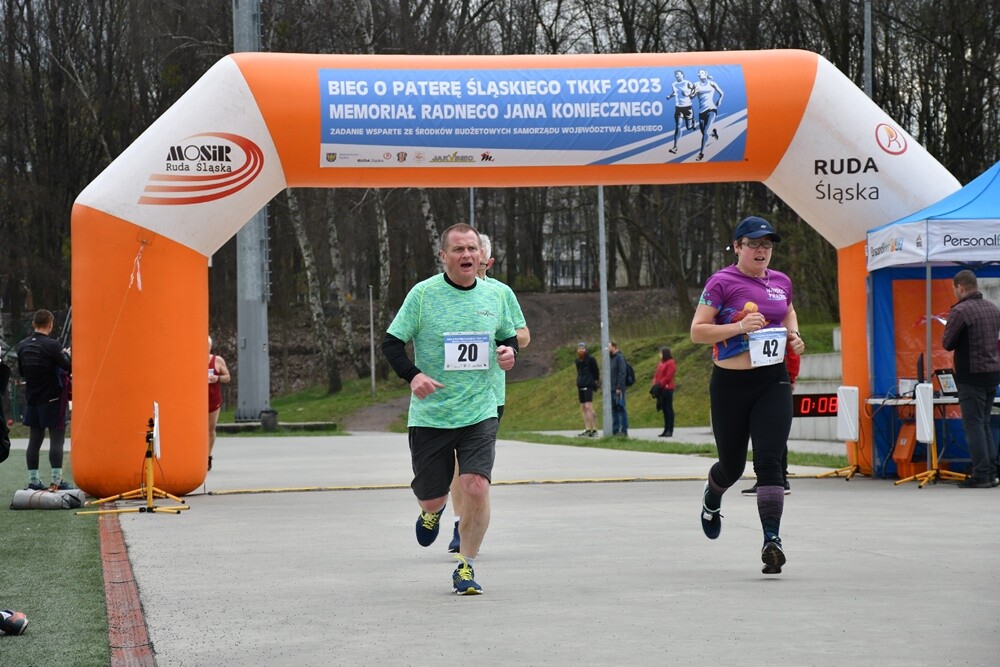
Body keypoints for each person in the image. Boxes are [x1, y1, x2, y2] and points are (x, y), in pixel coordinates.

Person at [381, 222, 518, 595]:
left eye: (472, 249)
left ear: (482, 256)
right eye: (458, 250)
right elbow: (391, 343)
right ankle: (432, 511)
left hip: (480, 409)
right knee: (433, 493)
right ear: (444, 257)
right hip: (432, 413)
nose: (466, 256)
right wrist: (413, 376)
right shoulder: (423, 295)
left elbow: (507, 336)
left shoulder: (495, 295)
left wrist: (508, 353)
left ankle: (466, 566)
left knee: (475, 486)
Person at [690, 216, 805, 575]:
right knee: (733, 466)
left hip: (773, 381)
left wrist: (794, 337)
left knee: (769, 460)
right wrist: (739, 326)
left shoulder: (781, 282)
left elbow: (787, 311)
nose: (762, 250)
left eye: (767, 245)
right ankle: (712, 497)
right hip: (730, 384)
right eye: (754, 243)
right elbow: (697, 332)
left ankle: (772, 540)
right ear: (738, 246)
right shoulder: (722, 282)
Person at [448, 233, 530, 554]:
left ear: (488, 262)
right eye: (463, 253)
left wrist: (503, 341)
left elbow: (522, 335)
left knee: (476, 470)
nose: (469, 262)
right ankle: (459, 523)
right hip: (453, 393)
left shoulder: (500, 293)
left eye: (477, 257)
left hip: (489, 395)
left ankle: (469, 525)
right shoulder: (444, 293)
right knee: (454, 463)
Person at [941, 269, 1000, 488]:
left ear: (960, 287)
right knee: (984, 424)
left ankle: (981, 475)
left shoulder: (961, 311)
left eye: (954, 289)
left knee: (973, 425)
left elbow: (947, 343)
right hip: (992, 375)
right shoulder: (993, 309)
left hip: (970, 376)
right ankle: (992, 473)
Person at [16, 309, 72, 491]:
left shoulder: (22, 345)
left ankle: (33, 481)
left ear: (34, 324)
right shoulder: (53, 345)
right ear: (50, 325)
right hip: (53, 399)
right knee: (57, 440)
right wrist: (67, 354)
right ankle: (56, 481)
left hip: (32, 400)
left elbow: (22, 372)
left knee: (35, 440)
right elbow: (67, 366)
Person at [742, 347, 798, 495]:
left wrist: (791, 377)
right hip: (762, 376)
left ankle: (776, 478)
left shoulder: (780, 329)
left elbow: (793, 353)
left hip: (776, 378)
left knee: (770, 435)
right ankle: (777, 478)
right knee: (772, 435)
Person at [207, 336, 231, 472]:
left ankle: (207, 457)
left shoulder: (217, 360)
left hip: (213, 399)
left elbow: (228, 377)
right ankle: (196, 457)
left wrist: (218, 378)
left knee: (211, 429)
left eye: (207, 345)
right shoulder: (193, 358)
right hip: (198, 401)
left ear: (210, 346)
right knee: (198, 431)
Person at [692, 68, 724, 161]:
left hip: (711, 109)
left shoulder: (712, 83)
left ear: (706, 74)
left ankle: (701, 153)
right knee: (704, 133)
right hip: (701, 112)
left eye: (702, 73)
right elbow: (691, 97)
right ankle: (713, 133)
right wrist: (694, 92)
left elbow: (721, 93)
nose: (700, 74)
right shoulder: (696, 85)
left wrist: (719, 100)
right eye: (699, 73)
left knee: (705, 132)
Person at [666, 70, 695, 155]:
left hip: (688, 107)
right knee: (678, 126)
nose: (677, 76)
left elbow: (694, 91)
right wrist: (670, 96)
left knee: (689, 127)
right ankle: (675, 147)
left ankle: (692, 123)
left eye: (678, 75)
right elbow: (675, 93)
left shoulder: (687, 83)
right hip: (678, 108)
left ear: (682, 75)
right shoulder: (674, 84)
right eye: (676, 75)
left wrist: (687, 94)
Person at [575, 342, 600, 437]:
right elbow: (579, 372)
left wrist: (595, 381)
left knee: (589, 406)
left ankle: (594, 429)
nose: (581, 350)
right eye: (579, 349)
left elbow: (596, 371)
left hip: (588, 384)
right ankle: (587, 429)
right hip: (580, 384)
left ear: (585, 349)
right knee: (583, 408)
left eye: (582, 348)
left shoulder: (591, 359)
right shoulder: (577, 361)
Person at [652, 346, 676, 437]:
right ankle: (666, 429)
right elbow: (657, 374)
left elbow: (669, 376)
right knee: (664, 410)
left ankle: (670, 429)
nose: (659, 355)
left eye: (661, 353)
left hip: (667, 388)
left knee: (668, 409)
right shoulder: (661, 363)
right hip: (661, 389)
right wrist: (655, 383)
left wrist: (660, 384)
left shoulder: (670, 362)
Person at [609, 341, 629, 437]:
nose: (607, 349)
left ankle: (624, 430)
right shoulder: (610, 359)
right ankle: (615, 430)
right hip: (611, 388)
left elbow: (622, 373)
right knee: (614, 410)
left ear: (614, 347)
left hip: (618, 389)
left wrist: (619, 387)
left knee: (621, 408)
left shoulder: (619, 358)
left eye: (608, 347)